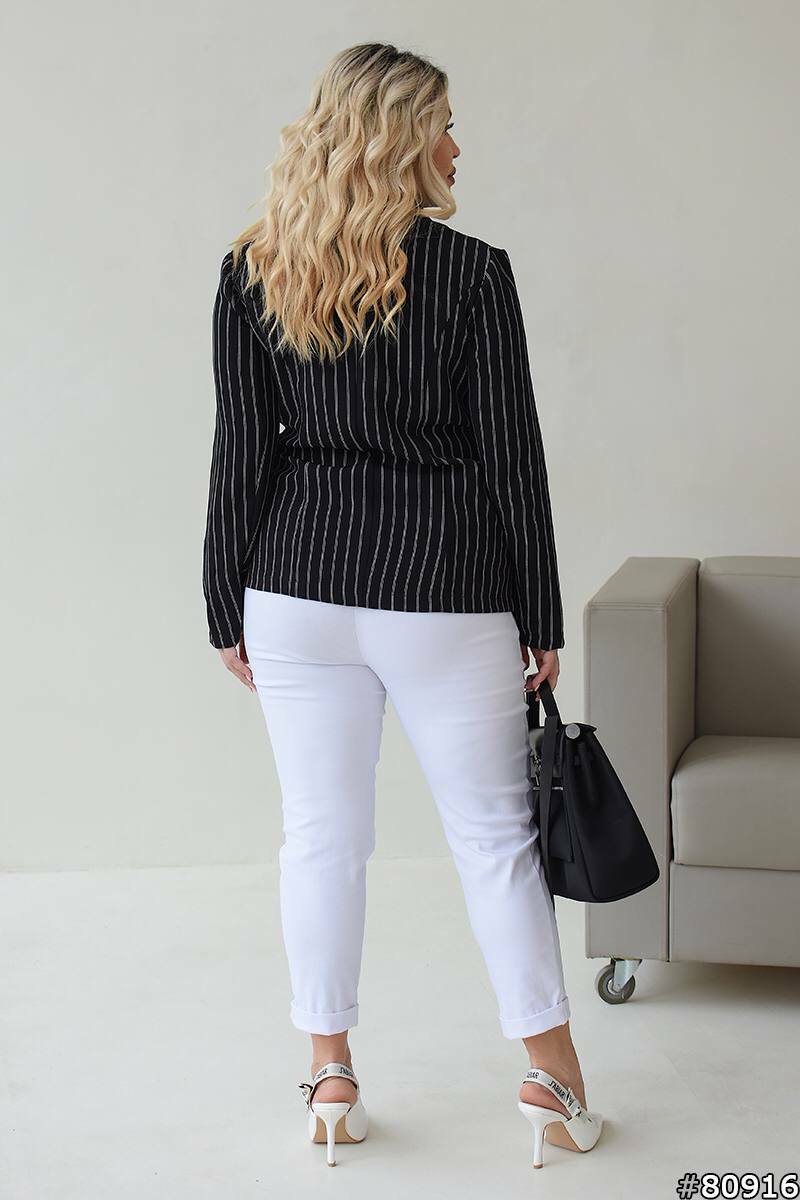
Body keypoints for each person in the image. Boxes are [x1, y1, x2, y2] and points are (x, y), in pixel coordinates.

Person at [201, 41, 603, 1169]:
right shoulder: (474, 274)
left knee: (320, 837)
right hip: (445, 588)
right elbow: (511, 460)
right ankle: (551, 1081)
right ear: (401, 138)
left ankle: (328, 1076)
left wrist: (223, 599)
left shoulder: (254, 269)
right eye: (445, 126)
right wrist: (540, 615)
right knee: (493, 839)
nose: (458, 148)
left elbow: (241, 451)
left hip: (295, 584)